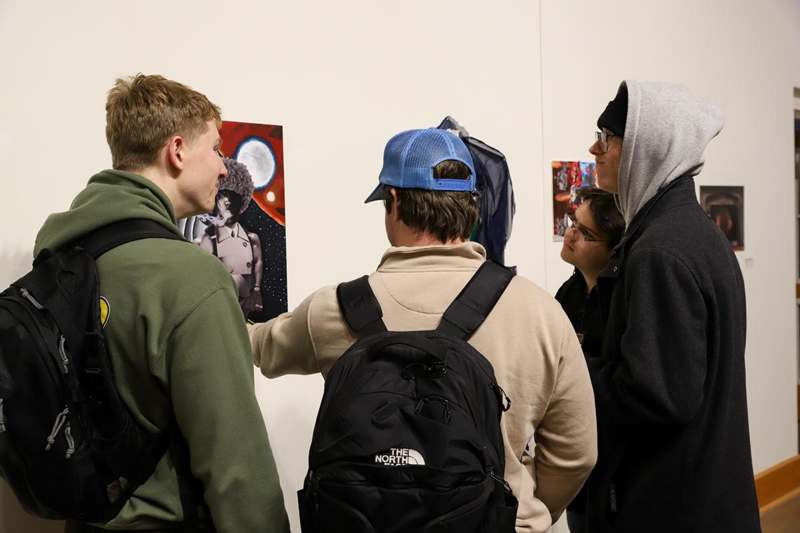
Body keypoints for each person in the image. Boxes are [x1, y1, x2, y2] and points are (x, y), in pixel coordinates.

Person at [249, 127, 598, 532]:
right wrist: (520, 510)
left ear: (393, 201)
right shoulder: (540, 312)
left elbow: (255, 347)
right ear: (471, 206)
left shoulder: (333, 310)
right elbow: (576, 453)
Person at [33, 74, 288, 532]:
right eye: (215, 148)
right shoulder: (191, 278)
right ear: (176, 151)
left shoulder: (60, 260)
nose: (224, 167)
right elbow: (236, 466)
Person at [584, 81, 761, 532]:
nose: (594, 148)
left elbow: (658, 398)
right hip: (703, 495)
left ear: (647, 148)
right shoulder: (689, 233)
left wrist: (575, 375)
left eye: (607, 138)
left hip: (673, 507)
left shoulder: (660, 251)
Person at [554, 188, 623, 533]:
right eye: (572, 223)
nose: (570, 234)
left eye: (585, 232)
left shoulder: (621, 304)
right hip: (575, 455)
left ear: (612, 249)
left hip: (614, 459)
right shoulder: (567, 295)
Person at [200, 157, 264, 317]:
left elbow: (258, 262)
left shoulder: (251, 238)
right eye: (223, 194)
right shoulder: (209, 238)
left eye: (233, 195)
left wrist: (256, 290)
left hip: (244, 306)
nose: (227, 200)